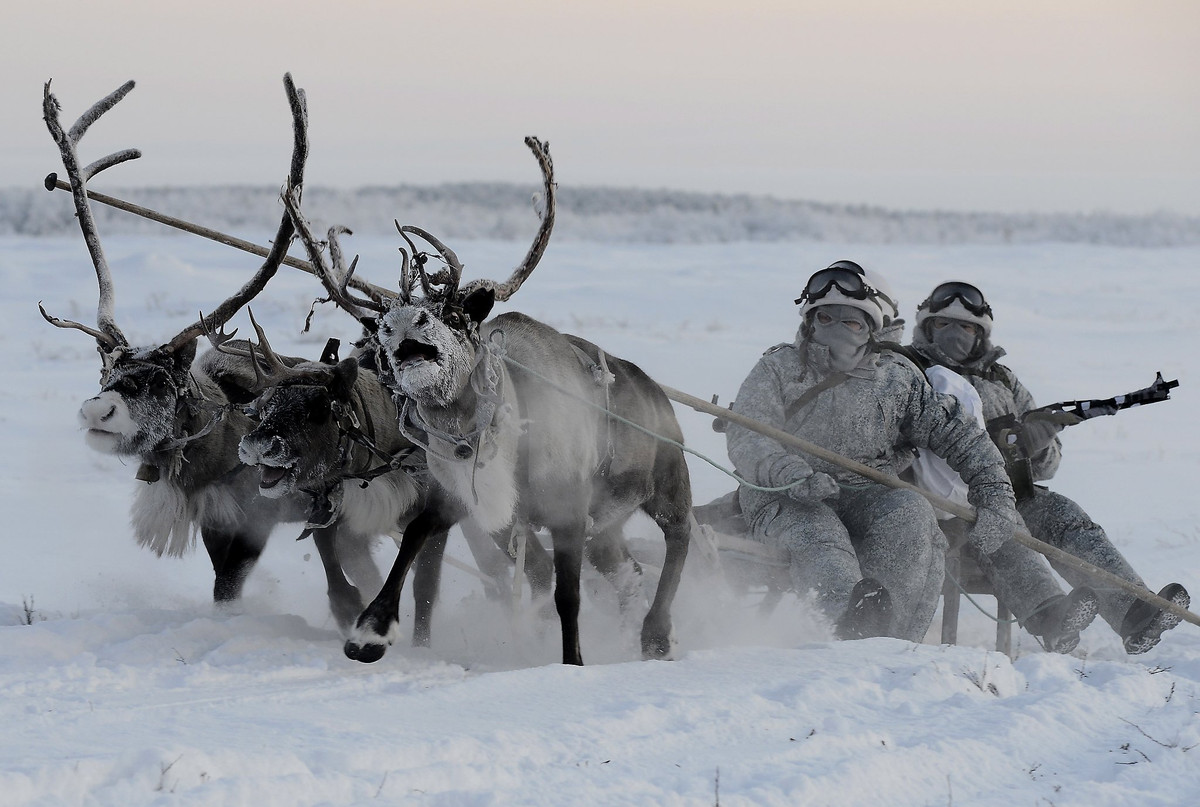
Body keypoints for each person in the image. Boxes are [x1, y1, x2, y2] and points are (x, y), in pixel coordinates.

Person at [724, 260, 1098, 645]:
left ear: (872, 327)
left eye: (852, 322)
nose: (837, 329)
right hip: (785, 495)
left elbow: (961, 437)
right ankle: (845, 626)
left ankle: (893, 643)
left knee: (911, 511)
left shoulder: (897, 378)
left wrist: (995, 495)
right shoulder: (777, 368)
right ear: (809, 321)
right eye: (826, 317)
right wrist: (790, 474)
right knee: (818, 531)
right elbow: (747, 434)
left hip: (866, 491)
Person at [908, 280, 1190, 654]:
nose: (954, 334)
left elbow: (1048, 465)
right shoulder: (909, 371)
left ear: (981, 334)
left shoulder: (1002, 380)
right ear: (926, 329)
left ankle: (1134, 613)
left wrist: (1034, 447)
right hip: (943, 504)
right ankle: (1052, 617)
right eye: (942, 325)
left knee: (1062, 513)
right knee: (1003, 528)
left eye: (966, 327)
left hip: (1013, 492)